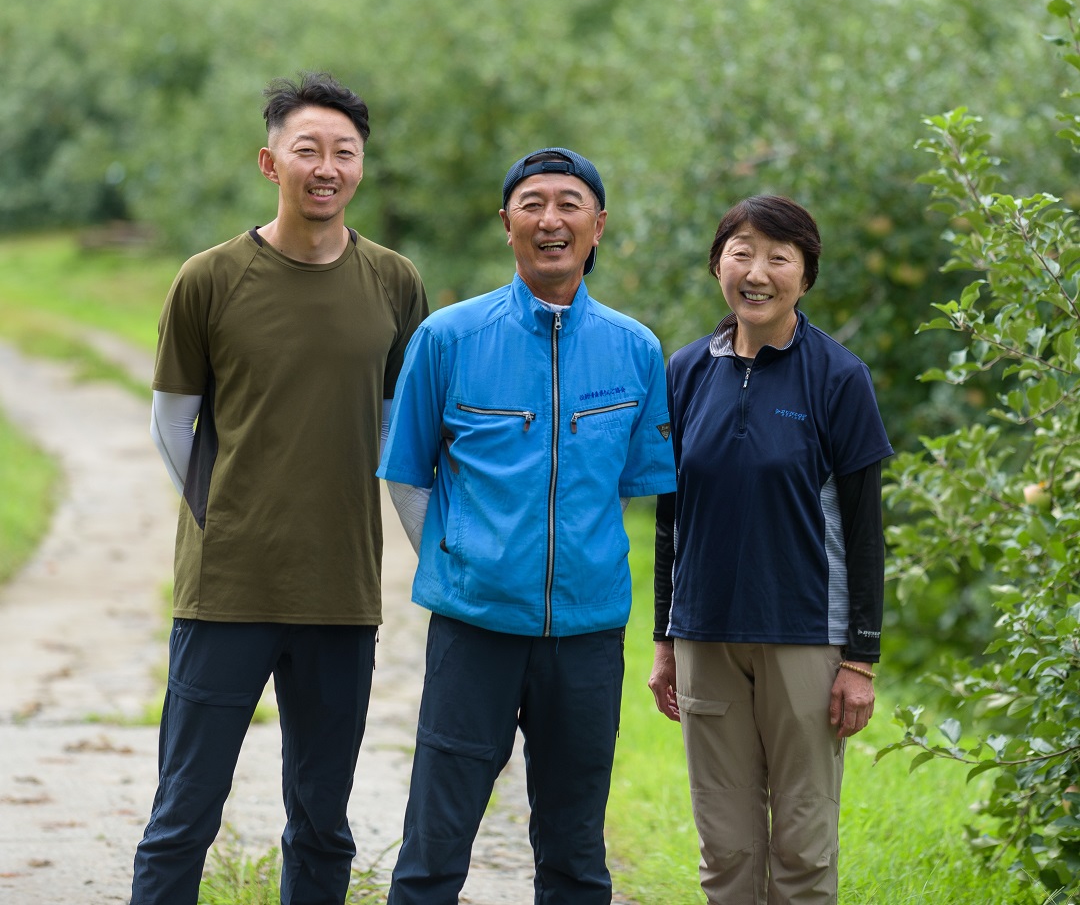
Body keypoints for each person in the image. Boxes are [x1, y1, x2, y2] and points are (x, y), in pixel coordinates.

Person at [130, 72, 428, 905]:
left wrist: (430, 547)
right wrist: (221, 519)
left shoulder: (395, 284)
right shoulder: (210, 279)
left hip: (341, 593)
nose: (326, 166)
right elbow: (170, 425)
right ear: (271, 162)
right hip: (226, 591)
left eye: (345, 152)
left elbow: (404, 435)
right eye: (308, 149)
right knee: (184, 811)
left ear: (361, 167)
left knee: (323, 821)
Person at [377, 147, 677, 904]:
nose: (552, 219)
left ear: (599, 226)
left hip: (586, 637)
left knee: (576, 851)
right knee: (435, 844)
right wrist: (461, 561)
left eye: (570, 204)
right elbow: (407, 472)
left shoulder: (636, 349)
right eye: (533, 203)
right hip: (473, 629)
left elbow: (645, 490)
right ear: (506, 222)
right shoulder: (447, 339)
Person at [648, 195, 892, 905]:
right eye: (741, 252)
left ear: (804, 276)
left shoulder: (839, 377)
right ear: (718, 264)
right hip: (705, 636)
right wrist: (666, 638)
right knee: (724, 846)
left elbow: (862, 526)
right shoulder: (687, 370)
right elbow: (672, 519)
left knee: (804, 848)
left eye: (778, 257)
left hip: (806, 639)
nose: (758, 271)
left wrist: (860, 658)